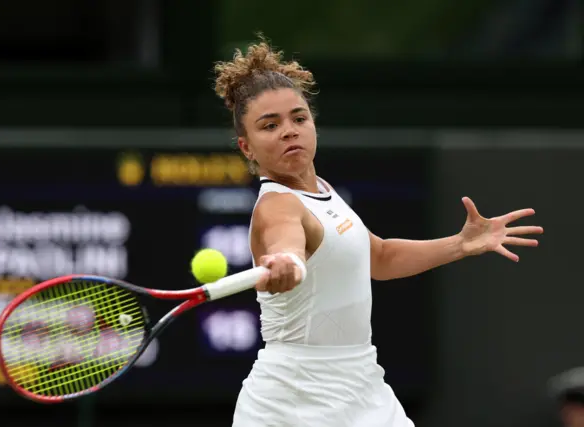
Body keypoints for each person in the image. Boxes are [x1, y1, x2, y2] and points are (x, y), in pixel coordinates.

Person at [213, 36, 544, 427]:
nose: (289, 131)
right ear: (246, 147)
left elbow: (381, 258)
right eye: (270, 125)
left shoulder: (324, 192)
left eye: (298, 118)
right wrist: (285, 262)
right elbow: (286, 244)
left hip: (362, 384)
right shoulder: (278, 205)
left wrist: (460, 244)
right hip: (292, 400)